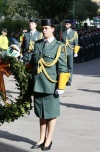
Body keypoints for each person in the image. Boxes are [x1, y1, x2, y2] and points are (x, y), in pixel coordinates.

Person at [26, 19, 69, 151]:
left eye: (46, 28)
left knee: (50, 113)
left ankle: (49, 139)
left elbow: (63, 67)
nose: (43, 30)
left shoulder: (59, 46)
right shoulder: (38, 44)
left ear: (52, 29)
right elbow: (32, 63)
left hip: (51, 85)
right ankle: (41, 138)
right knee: (41, 113)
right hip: (38, 83)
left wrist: (61, 87)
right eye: (42, 28)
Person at [61, 20, 79, 86]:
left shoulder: (74, 33)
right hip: (64, 51)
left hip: (70, 51)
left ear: (70, 25)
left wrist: (75, 52)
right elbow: (62, 42)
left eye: (68, 24)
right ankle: (65, 79)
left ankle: (69, 81)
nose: (66, 25)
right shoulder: (63, 33)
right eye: (65, 24)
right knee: (64, 67)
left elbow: (76, 43)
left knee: (70, 67)